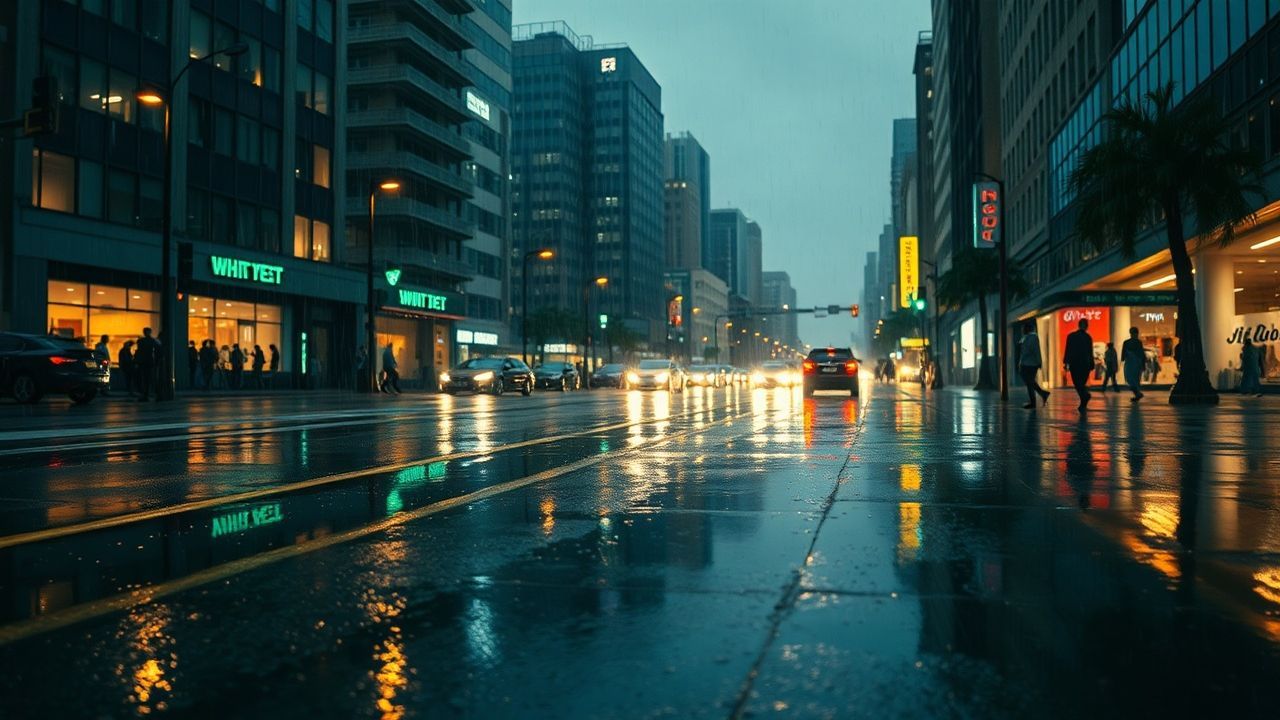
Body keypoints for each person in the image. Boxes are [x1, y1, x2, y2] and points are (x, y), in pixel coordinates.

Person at [1063, 318, 1095, 411]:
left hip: (1075, 363)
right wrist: (1091, 363)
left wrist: (1066, 362)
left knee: (1077, 383)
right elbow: (1090, 352)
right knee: (1082, 383)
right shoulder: (1088, 337)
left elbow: (1068, 350)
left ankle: (1084, 398)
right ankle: (1084, 399)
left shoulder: (1071, 336)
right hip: (1085, 363)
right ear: (1086, 326)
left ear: (1079, 325)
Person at [1018, 322, 1050, 409]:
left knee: (1029, 382)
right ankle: (1042, 395)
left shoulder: (1033, 337)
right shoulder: (1026, 337)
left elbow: (1036, 350)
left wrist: (1039, 362)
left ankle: (1035, 400)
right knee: (1030, 381)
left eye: (1024, 328)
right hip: (1027, 363)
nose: (1023, 330)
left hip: (1030, 364)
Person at [134, 327, 160, 401]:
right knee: (149, 378)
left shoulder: (141, 341)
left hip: (143, 362)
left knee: (144, 378)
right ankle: (148, 393)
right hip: (149, 362)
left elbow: (138, 352)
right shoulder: (153, 341)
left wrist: (137, 362)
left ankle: (144, 393)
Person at [1121, 327, 1146, 402]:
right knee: (1134, 379)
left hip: (1130, 362)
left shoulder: (1126, 342)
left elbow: (1123, 353)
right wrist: (1143, 364)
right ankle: (1137, 393)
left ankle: (1137, 394)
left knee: (1130, 379)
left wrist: (1123, 358)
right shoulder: (1138, 342)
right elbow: (1141, 354)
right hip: (1136, 363)